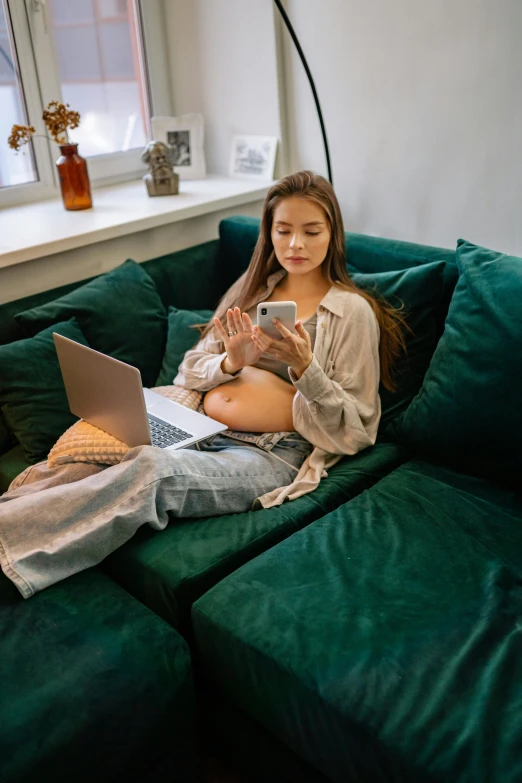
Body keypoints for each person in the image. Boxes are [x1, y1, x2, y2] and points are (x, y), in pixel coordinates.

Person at [0, 171, 407, 599]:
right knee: (89, 458)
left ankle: (9, 556)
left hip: (274, 453)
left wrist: (307, 368)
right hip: (199, 422)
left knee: (152, 471)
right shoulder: (251, 290)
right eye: (283, 230)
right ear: (268, 233)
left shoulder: (351, 313)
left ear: (333, 234)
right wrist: (231, 361)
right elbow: (189, 370)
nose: (295, 245)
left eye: (311, 231)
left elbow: (357, 430)